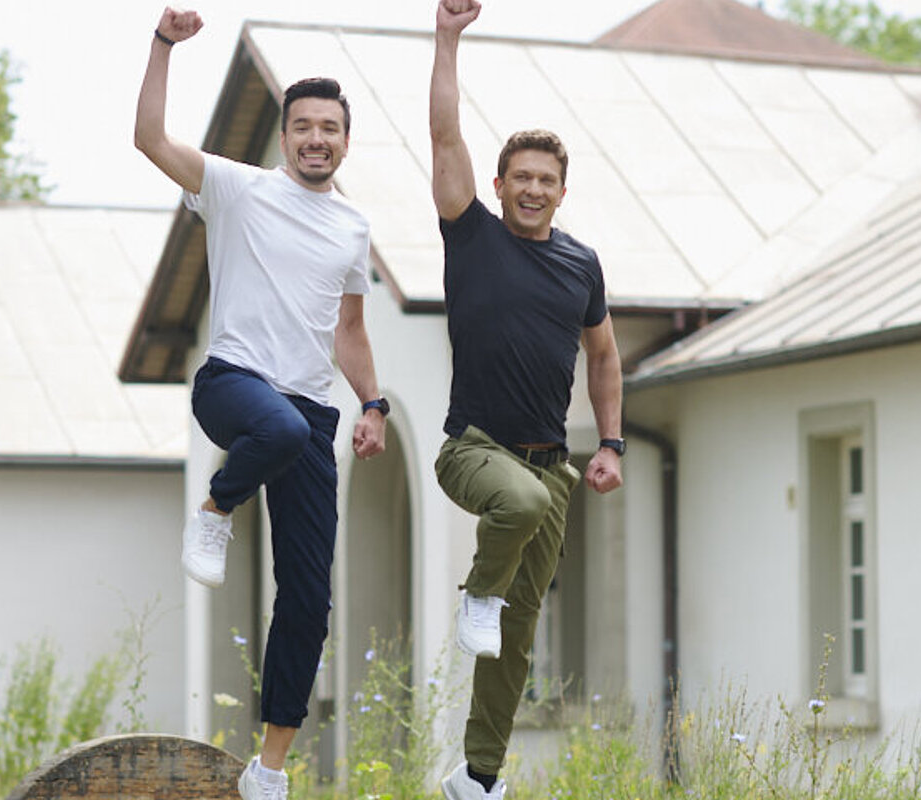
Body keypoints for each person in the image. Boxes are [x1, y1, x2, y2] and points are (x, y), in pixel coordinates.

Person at [135, 7, 388, 800]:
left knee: (310, 598)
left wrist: (373, 403)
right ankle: (216, 507)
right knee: (275, 424)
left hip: (312, 418)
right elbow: (149, 138)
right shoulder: (237, 189)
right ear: (285, 136)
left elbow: (346, 329)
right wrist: (162, 46)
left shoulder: (353, 226)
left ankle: (268, 768)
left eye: (330, 129)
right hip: (235, 388)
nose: (317, 139)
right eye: (304, 126)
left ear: (346, 141)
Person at [428, 0, 626, 797]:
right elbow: (445, 135)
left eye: (548, 181)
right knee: (513, 507)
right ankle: (477, 593)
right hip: (474, 449)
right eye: (522, 179)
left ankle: (478, 779)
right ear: (501, 184)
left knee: (519, 638)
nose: (534, 190)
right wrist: (447, 39)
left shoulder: (581, 265)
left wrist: (609, 443)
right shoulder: (471, 235)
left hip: (554, 468)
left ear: (561, 190)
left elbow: (604, 354)